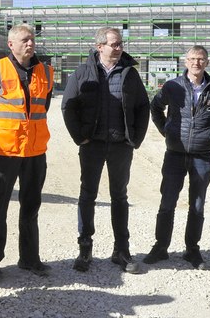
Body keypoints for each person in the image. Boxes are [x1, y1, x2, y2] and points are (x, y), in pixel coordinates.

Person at [61, 27, 150, 274]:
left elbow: (143, 107)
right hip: (93, 146)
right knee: (87, 195)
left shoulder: (130, 74)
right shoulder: (83, 72)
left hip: (121, 146)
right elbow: (69, 107)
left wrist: (136, 138)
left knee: (119, 197)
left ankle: (121, 251)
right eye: (114, 44)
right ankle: (85, 249)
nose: (119, 47)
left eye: (120, 43)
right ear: (100, 46)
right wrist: (80, 137)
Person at [0, 24, 54, 282]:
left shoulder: (45, 71)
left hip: (34, 152)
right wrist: (0, 137)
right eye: (24, 40)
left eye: (32, 39)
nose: (30, 44)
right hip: (3, 151)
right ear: (11, 44)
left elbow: (44, 107)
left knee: (31, 206)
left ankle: (30, 258)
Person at [143, 45, 210, 269]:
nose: (196, 63)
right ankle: (160, 247)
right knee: (167, 202)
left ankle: (192, 250)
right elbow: (155, 107)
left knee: (197, 204)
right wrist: (166, 131)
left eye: (201, 59)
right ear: (185, 62)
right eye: (192, 59)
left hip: (202, 155)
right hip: (175, 154)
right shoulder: (172, 86)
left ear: (207, 63)